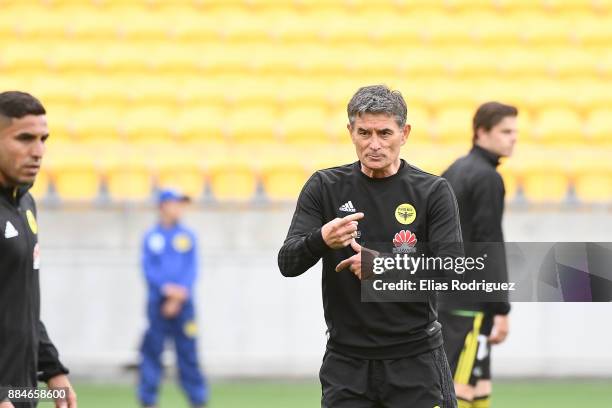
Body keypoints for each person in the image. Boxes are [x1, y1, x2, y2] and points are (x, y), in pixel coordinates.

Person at [278, 85, 463, 408]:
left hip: (415, 360)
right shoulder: (325, 187)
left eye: (384, 133)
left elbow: (453, 272)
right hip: (347, 364)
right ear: (350, 131)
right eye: (364, 132)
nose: (374, 144)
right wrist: (321, 239)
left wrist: (383, 267)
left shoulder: (432, 191)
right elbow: (287, 262)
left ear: (404, 133)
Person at [0, 91, 77, 408]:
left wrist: (52, 369)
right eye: (25, 138)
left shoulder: (24, 204)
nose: (38, 151)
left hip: (20, 392)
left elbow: (21, 301)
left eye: (44, 139)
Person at [438, 102, 518, 408]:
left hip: (447, 295)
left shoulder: (455, 169)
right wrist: (501, 306)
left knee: (477, 383)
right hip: (467, 303)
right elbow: (489, 244)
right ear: (481, 132)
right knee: (458, 389)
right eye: (506, 131)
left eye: (515, 132)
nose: (513, 139)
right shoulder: (487, 178)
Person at [138, 188, 208, 408]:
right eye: (175, 203)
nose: (179, 208)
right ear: (163, 206)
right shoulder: (152, 237)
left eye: (181, 203)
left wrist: (178, 296)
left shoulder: (188, 236)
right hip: (157, 304)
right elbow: (149, 269)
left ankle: (197, 400)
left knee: (188, 354)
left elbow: (192, 270)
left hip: (184, 306)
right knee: (152, 353)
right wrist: (166, 291)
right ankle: (148, 401)